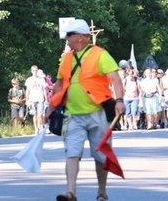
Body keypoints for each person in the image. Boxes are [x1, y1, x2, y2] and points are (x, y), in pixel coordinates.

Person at [45, 19, 125, 201]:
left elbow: (116, 79)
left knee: (101, 155)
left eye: (70, 35)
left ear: (81, 37)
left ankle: (102, 192)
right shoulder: (66, 58)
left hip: (98, 113)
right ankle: (71, 192)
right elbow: (59, 85)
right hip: (72, 115)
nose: (67, 39)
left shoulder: (100, 55)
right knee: (72, 153)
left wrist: (119, 100)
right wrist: (50, 108)